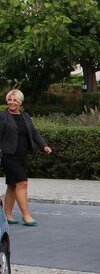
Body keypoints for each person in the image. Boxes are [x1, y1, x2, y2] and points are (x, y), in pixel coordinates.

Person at [0, 89, 52, 226]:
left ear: (20, 102)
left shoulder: (25, 116)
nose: (12, 103)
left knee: (13, 185)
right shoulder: (2, 116)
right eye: (9, 100)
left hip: (21, 156)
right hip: (8, 155)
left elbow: (34, 133)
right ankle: (26, 215)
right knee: (22, 183)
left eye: (15, 100)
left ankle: (8, 215)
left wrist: (44, 146)